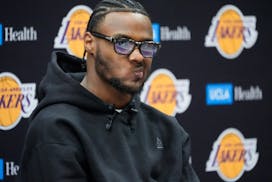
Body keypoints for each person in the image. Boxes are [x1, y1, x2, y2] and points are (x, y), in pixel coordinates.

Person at [18, 0, 200, 181]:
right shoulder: (55, 129)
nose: (138, 57)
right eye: (122, 43)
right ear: (90, 43)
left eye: (147, 46)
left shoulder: (168, 130)